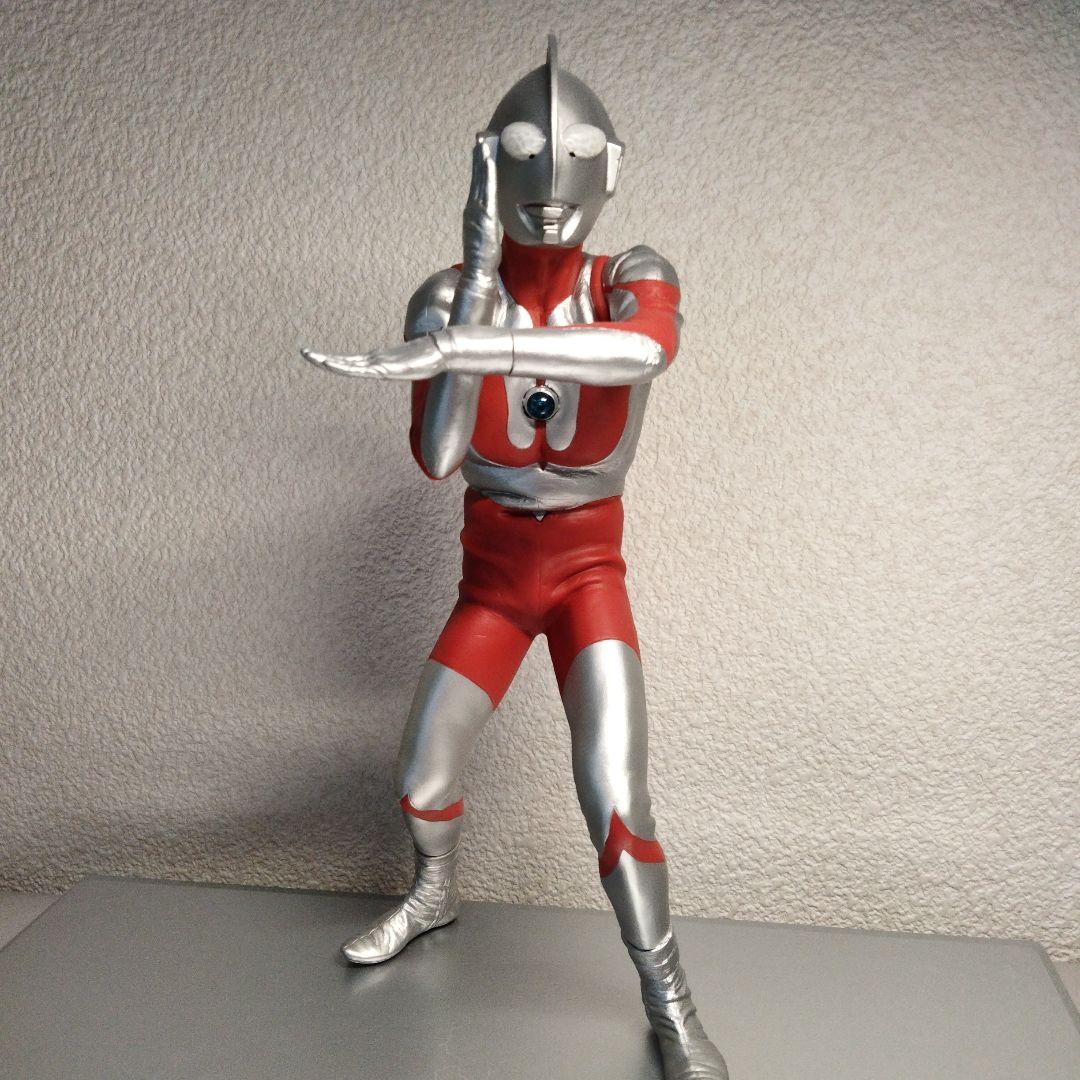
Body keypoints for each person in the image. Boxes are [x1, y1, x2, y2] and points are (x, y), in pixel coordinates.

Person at [303, 37, 727, 1080]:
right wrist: (476, 295)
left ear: (611, 168)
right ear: (488, 163)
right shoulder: (448, 294)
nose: (550, 186)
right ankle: (432, 893)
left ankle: (669, 997)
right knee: (420, 777)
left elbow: (647, 352)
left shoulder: (630, 276)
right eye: (526, 156)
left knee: (615, 797)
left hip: (587, 578)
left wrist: (475, 348)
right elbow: (442, 456)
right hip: (492, 581)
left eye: (575, 156)